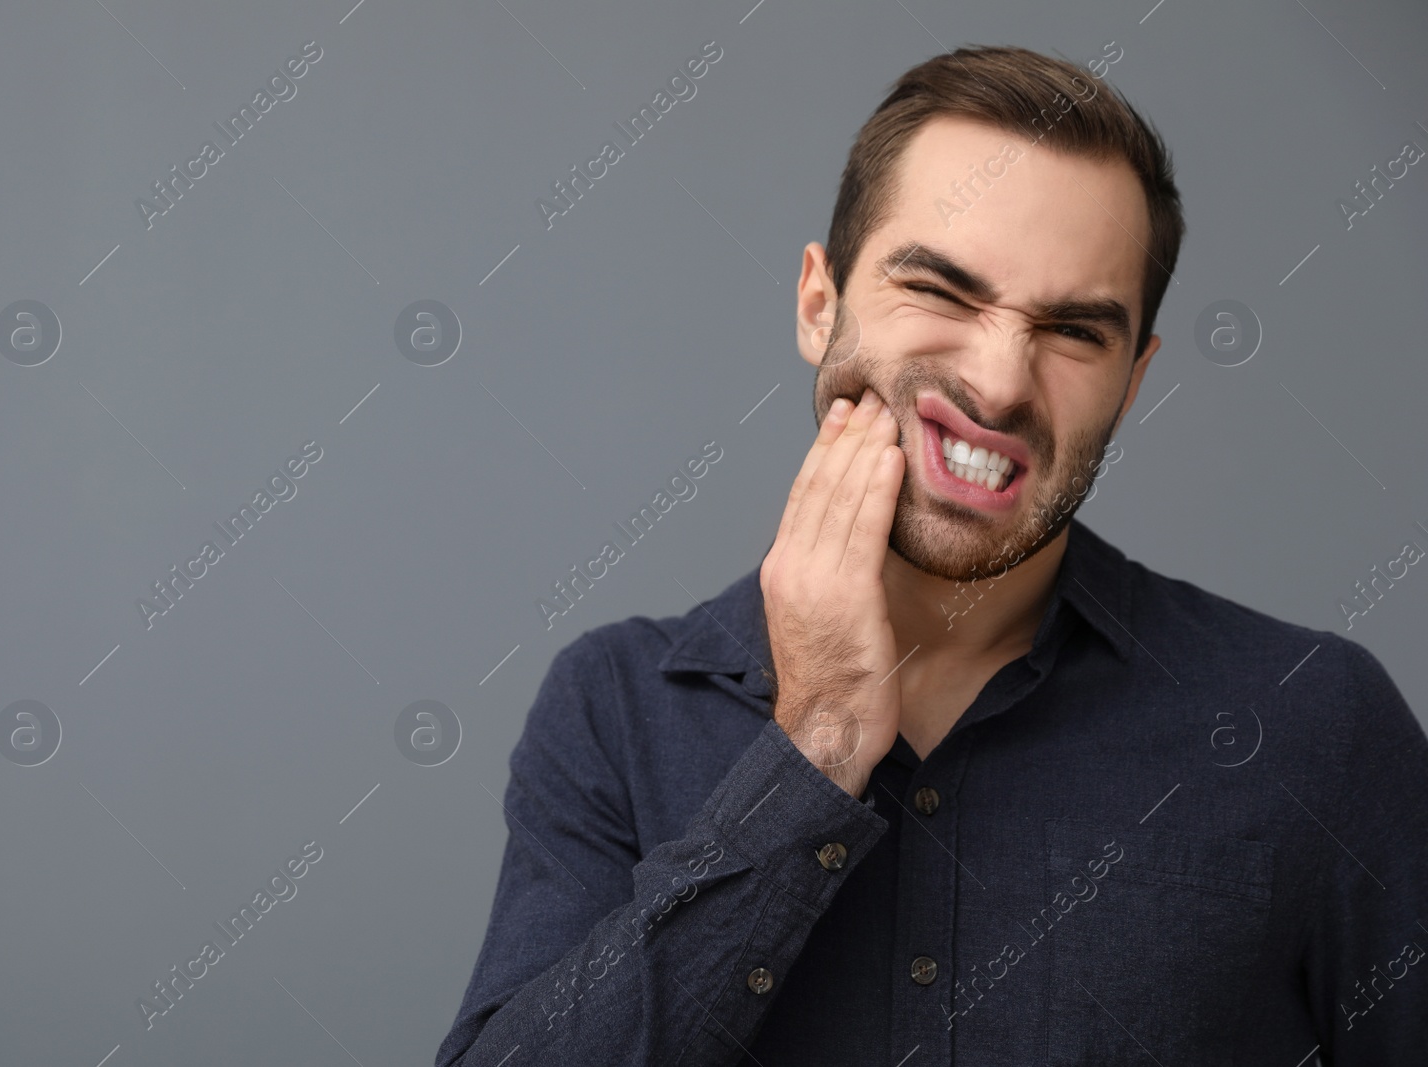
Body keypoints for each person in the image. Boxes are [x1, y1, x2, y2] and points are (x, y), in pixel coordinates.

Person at [437, 44, 1428, 1065]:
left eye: (1074, 332)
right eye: (942, 292)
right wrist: (812, 746)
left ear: (1133, 381)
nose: (999, 383)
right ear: (819, 305)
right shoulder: (614, 708)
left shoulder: (1314, 725)